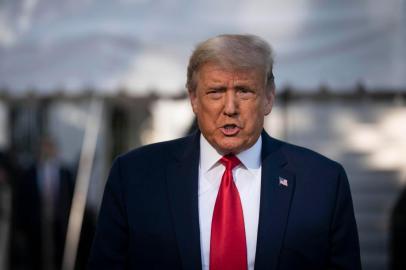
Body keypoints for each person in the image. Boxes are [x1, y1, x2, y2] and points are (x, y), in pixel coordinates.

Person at [89, 34, 361, 270]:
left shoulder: (322, 182)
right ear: (193, 99)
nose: (230, 107)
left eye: (244, 91)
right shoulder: (134, 177)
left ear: (268, 97)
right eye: (216, 92)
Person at [10, 137, 74, 270]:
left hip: (60, 226)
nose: (47, 151)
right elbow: (22, 202)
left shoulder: (65, 173)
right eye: (44, 147)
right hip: (35, 228)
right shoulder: (29, 173)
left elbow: (70, 199)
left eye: (50, 147)